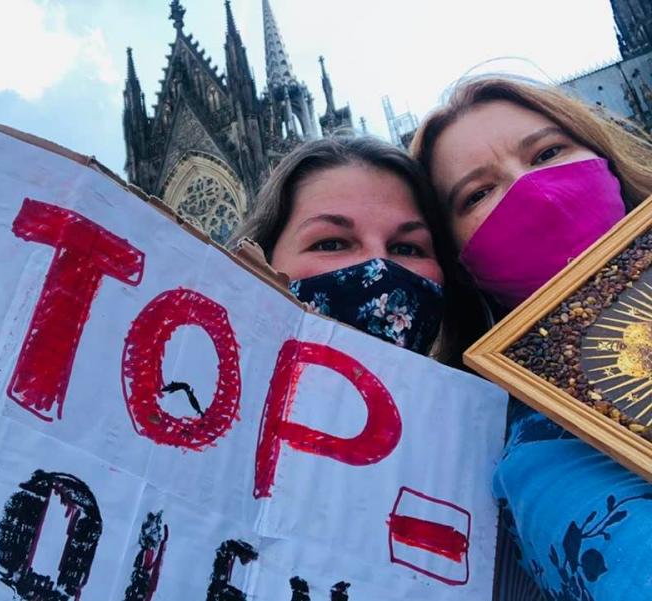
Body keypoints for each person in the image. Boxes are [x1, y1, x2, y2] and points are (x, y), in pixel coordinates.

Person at [412, 76, 652, 600]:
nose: (529, 189)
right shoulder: (544, 454)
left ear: (604, 156)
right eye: (478, 193)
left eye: (546, 153)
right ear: (462, 263)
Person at [232, 135, 481, 363]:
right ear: (259, 261)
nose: (379, 268)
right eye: (331, 244)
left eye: (407, 248)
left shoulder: (493, 408)